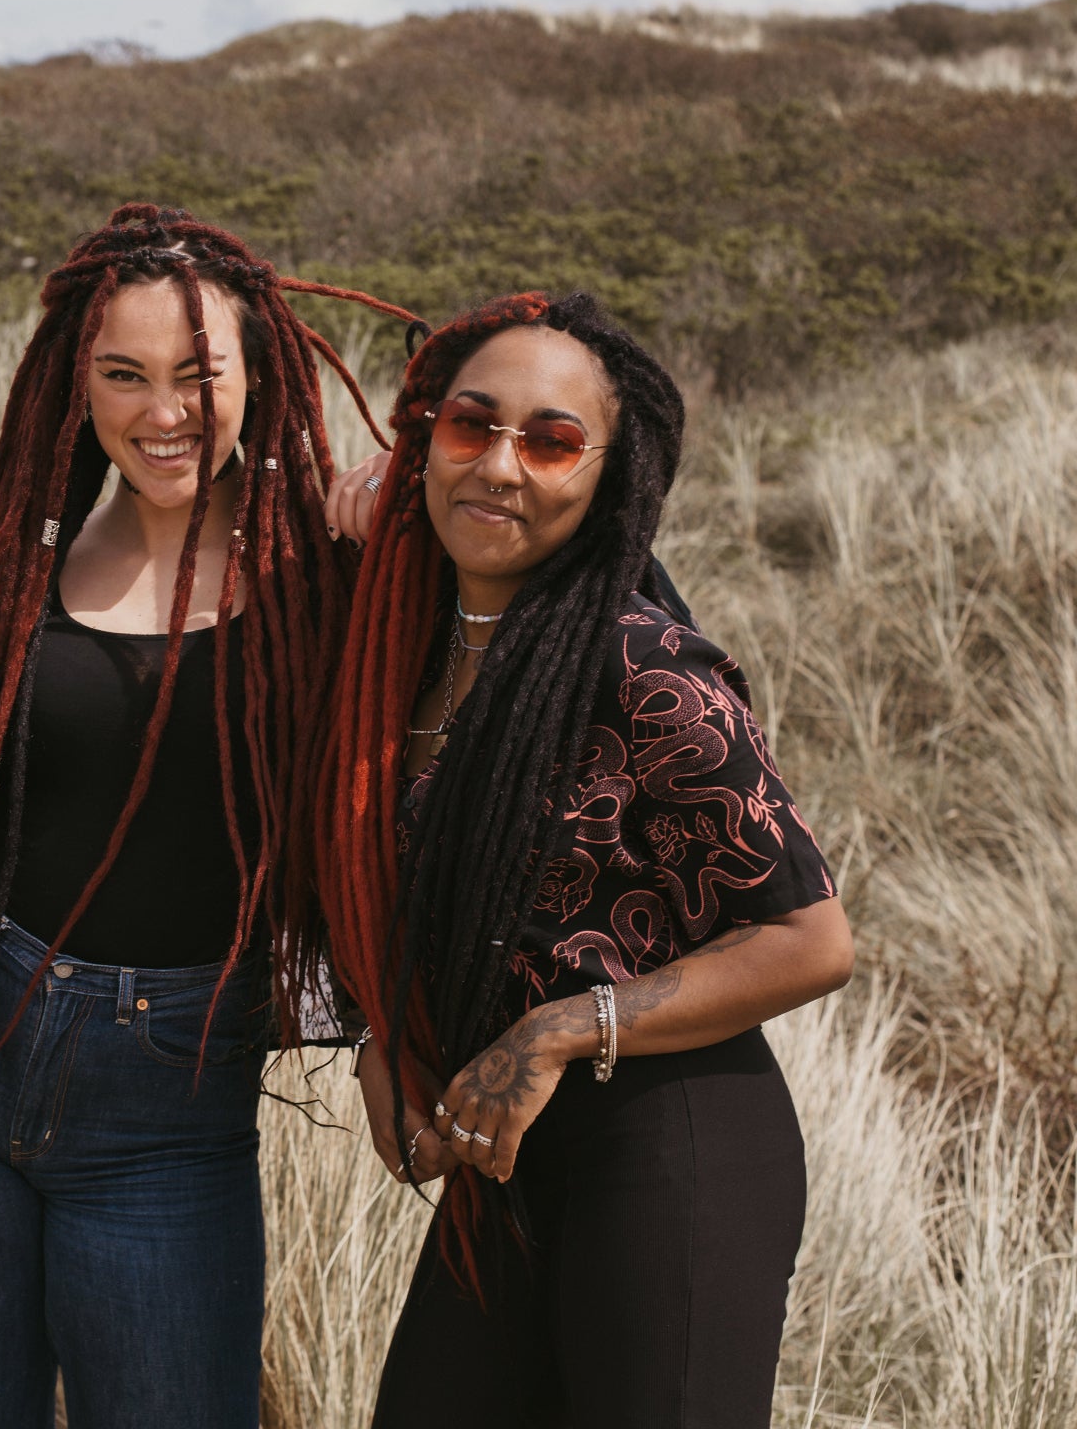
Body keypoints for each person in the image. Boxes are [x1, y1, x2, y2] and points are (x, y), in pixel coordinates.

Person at [0, 203, 410, 1429]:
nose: (162, 412)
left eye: (200, 374)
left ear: (260, 375)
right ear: (72, 387)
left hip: (167, 1112)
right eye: (124, 376)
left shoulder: (330, 574)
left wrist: (410, 527)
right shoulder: (10, 567)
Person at [314, 292, 854, 1428]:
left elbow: (809, 940)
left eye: (551, 440)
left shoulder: (640, 661)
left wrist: (555, 1028)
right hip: (505, 1167)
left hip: (669, 1145)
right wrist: (384, 1035)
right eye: (470, 426)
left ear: (608, 476)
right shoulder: (395, 653)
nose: (500, 466)